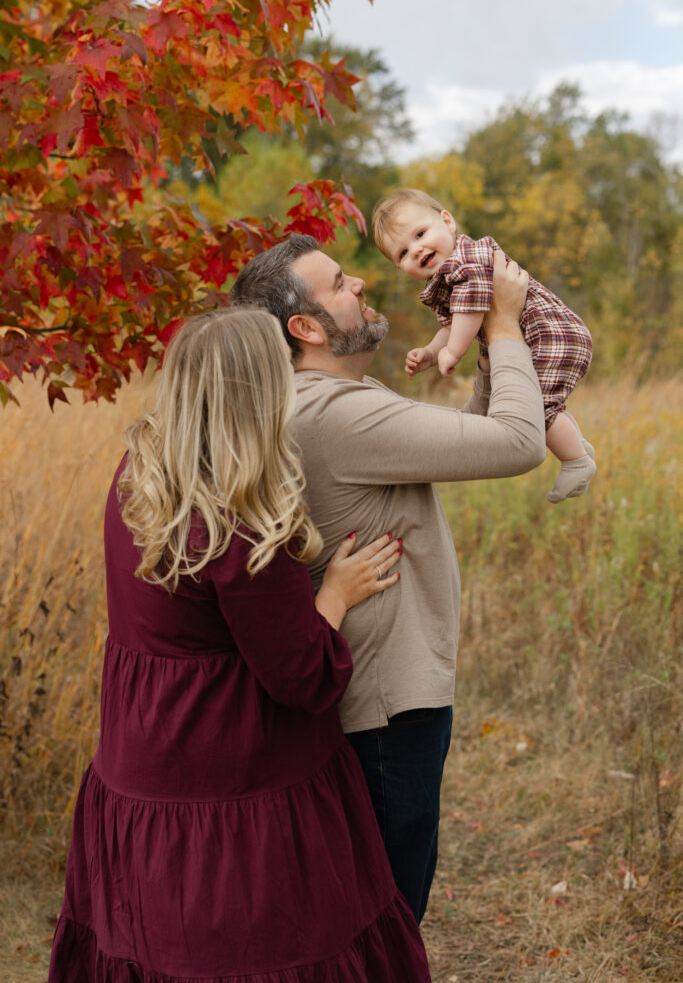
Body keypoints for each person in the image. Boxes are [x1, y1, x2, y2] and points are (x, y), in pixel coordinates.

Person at [48, 307, 432, 982]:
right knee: (261, 951)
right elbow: (303, 676)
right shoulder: (243, 521)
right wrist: (336, 594)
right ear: (261, 394)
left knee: (158, 942)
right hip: (236, 772)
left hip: (143, 756)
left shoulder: (141, 474)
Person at [230, 237, 547, 923]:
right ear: (307, 328)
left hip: (377, 697)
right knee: (385, 918)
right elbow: (519, 443)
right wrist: (501, 322)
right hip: (382, 709)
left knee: (366, 911)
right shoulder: (336, 414)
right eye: (341, 283)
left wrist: (492, 349)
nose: (363, 284)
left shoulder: (329, 399)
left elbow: (472, 439)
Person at [371, 188, 596, 504]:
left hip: (550, 335)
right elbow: (450, 326)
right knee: (545, 402)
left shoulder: (467, 259)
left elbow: (472, 307)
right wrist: (432, 353)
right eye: (403, 253)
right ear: (399, 267)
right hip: (543, 336)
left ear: (447, 221)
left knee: (538, 408)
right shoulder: (446, 279)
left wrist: (454, 351)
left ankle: (576, 460)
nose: (417, 249)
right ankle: (577, 447)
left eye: (420, 233)